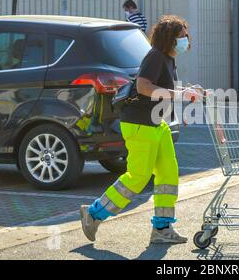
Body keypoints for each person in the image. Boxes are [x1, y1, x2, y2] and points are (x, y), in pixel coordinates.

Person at [80, 15, 202, 244]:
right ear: (168, 39)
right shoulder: (156, 56)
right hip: (140, 124)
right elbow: (144, 86)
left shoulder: (168, 58)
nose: (185, 39)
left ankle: (162, 228)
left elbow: (164, 89)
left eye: (186, 35)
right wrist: (179, 94)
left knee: (167, 174)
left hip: (157, 124)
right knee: (138, 177)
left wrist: (188, 91)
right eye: (181, 36)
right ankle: (93, 214)